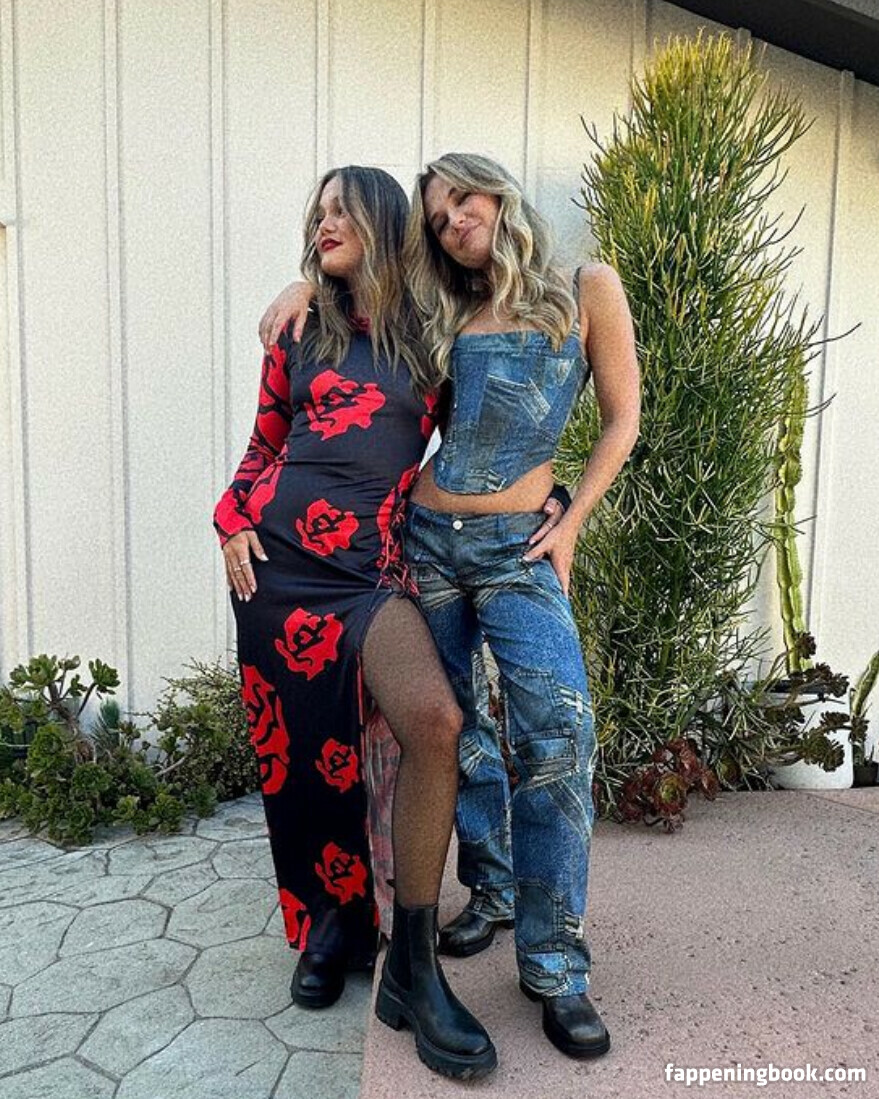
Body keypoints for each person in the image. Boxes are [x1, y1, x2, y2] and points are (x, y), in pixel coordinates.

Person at [262, 152, 639, 1060]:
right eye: (435, 217)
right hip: (427, 541)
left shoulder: (585, 287)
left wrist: (572, 520)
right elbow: (359, 306)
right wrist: (301, 285)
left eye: (462, 199)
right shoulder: (438, 306)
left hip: (518, 549)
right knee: (449, 730)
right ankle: (490, 890)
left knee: (558, 732)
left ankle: (554, 965)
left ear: (498, 193)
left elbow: (621, 419)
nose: (452, 220)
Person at [214, 165, 499, 1080]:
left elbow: (476, 449)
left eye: (341, 209)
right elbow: (261, 447)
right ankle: (327, 927)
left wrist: (545, 498)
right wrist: (229, 520)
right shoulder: (300, 330)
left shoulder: (431, 342)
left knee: (433, 720)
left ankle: (410, 963)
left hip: (369, 572)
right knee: (302, 759)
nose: (323, 224)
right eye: (317, 213)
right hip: (275, 571)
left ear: (381, 219)